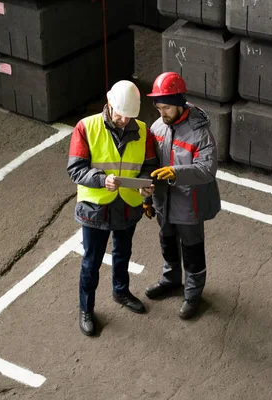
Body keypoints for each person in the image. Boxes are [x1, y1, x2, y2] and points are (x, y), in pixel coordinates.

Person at [67, 80, 157, 336]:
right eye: (120, 115)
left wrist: (146, 186)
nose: (124, 121)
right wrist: (100, 180)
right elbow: (75, 169)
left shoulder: (142, 130)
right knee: (91, 262)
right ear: (109, 105)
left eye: (129, 116)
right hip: (95, 207)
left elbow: (149, 166)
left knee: (123, 253)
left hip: (128, 206)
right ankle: (86, 309)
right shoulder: (86, 127)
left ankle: (121, 291)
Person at [143, 72, 221, 319]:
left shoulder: (200, 133)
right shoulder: (157, 127)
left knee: (192, 249)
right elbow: (149, 165)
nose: (161, 113)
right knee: (167, 243)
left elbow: (207, 170)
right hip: (163, 202)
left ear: (179, 103)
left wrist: (175, 173)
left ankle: (193, 293)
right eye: (158, 108)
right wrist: (147, 198)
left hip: (189, 205)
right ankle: (171, 280)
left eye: (166, 107)